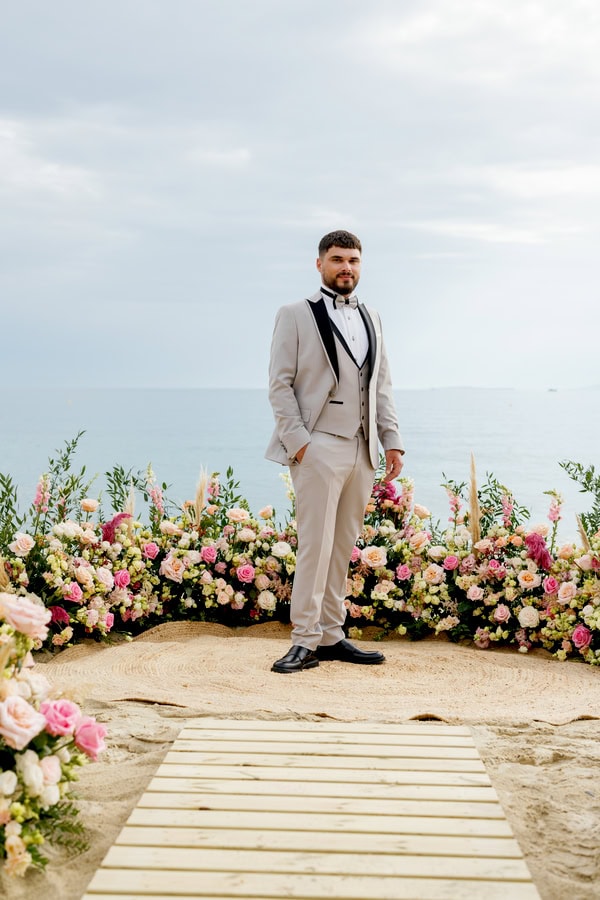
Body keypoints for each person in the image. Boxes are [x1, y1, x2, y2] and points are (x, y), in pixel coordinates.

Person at [265, 230, 404, 673]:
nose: (348, 267)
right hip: (319, 446)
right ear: (320, 263)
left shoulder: (373, 317)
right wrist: (301, 445)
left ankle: (330, 633)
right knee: (315, 546)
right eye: (339, 259)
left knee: (342, 545)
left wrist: (391, 440)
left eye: (355, 260)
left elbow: (380, 384)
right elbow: (280, 384)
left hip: (362, 450)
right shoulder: (295, 314)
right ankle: (304, 639)